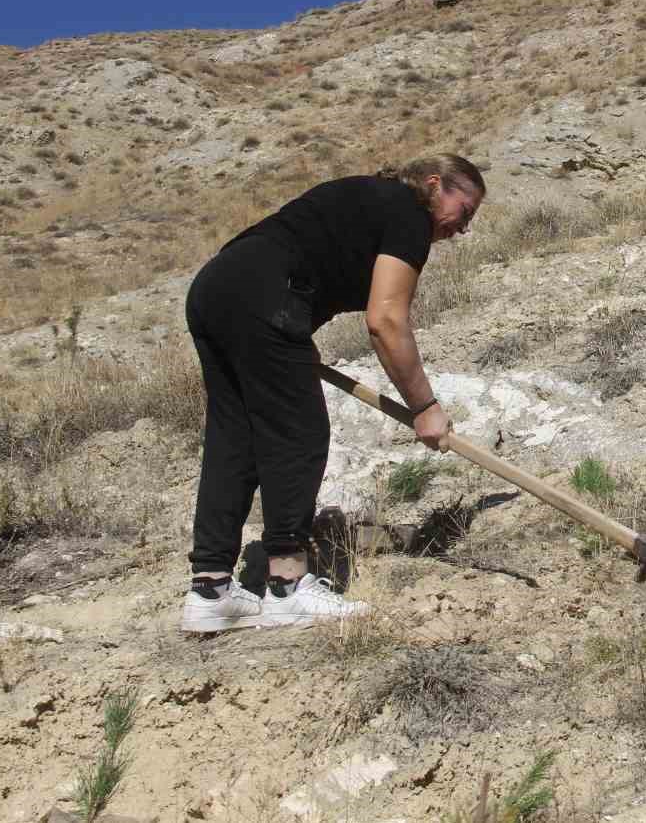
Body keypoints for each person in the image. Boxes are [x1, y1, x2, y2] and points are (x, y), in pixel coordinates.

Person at [179, 154, 485, 631]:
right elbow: (385, 321)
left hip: (216, 289)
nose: (462, 229)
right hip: (264, 295)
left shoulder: (368, 198)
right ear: (433, 185)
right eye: (464, 212)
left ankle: (211, 590)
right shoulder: (408, 213)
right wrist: (424, 407)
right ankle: (287, 586)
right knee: (297, 436)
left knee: (234, 438)